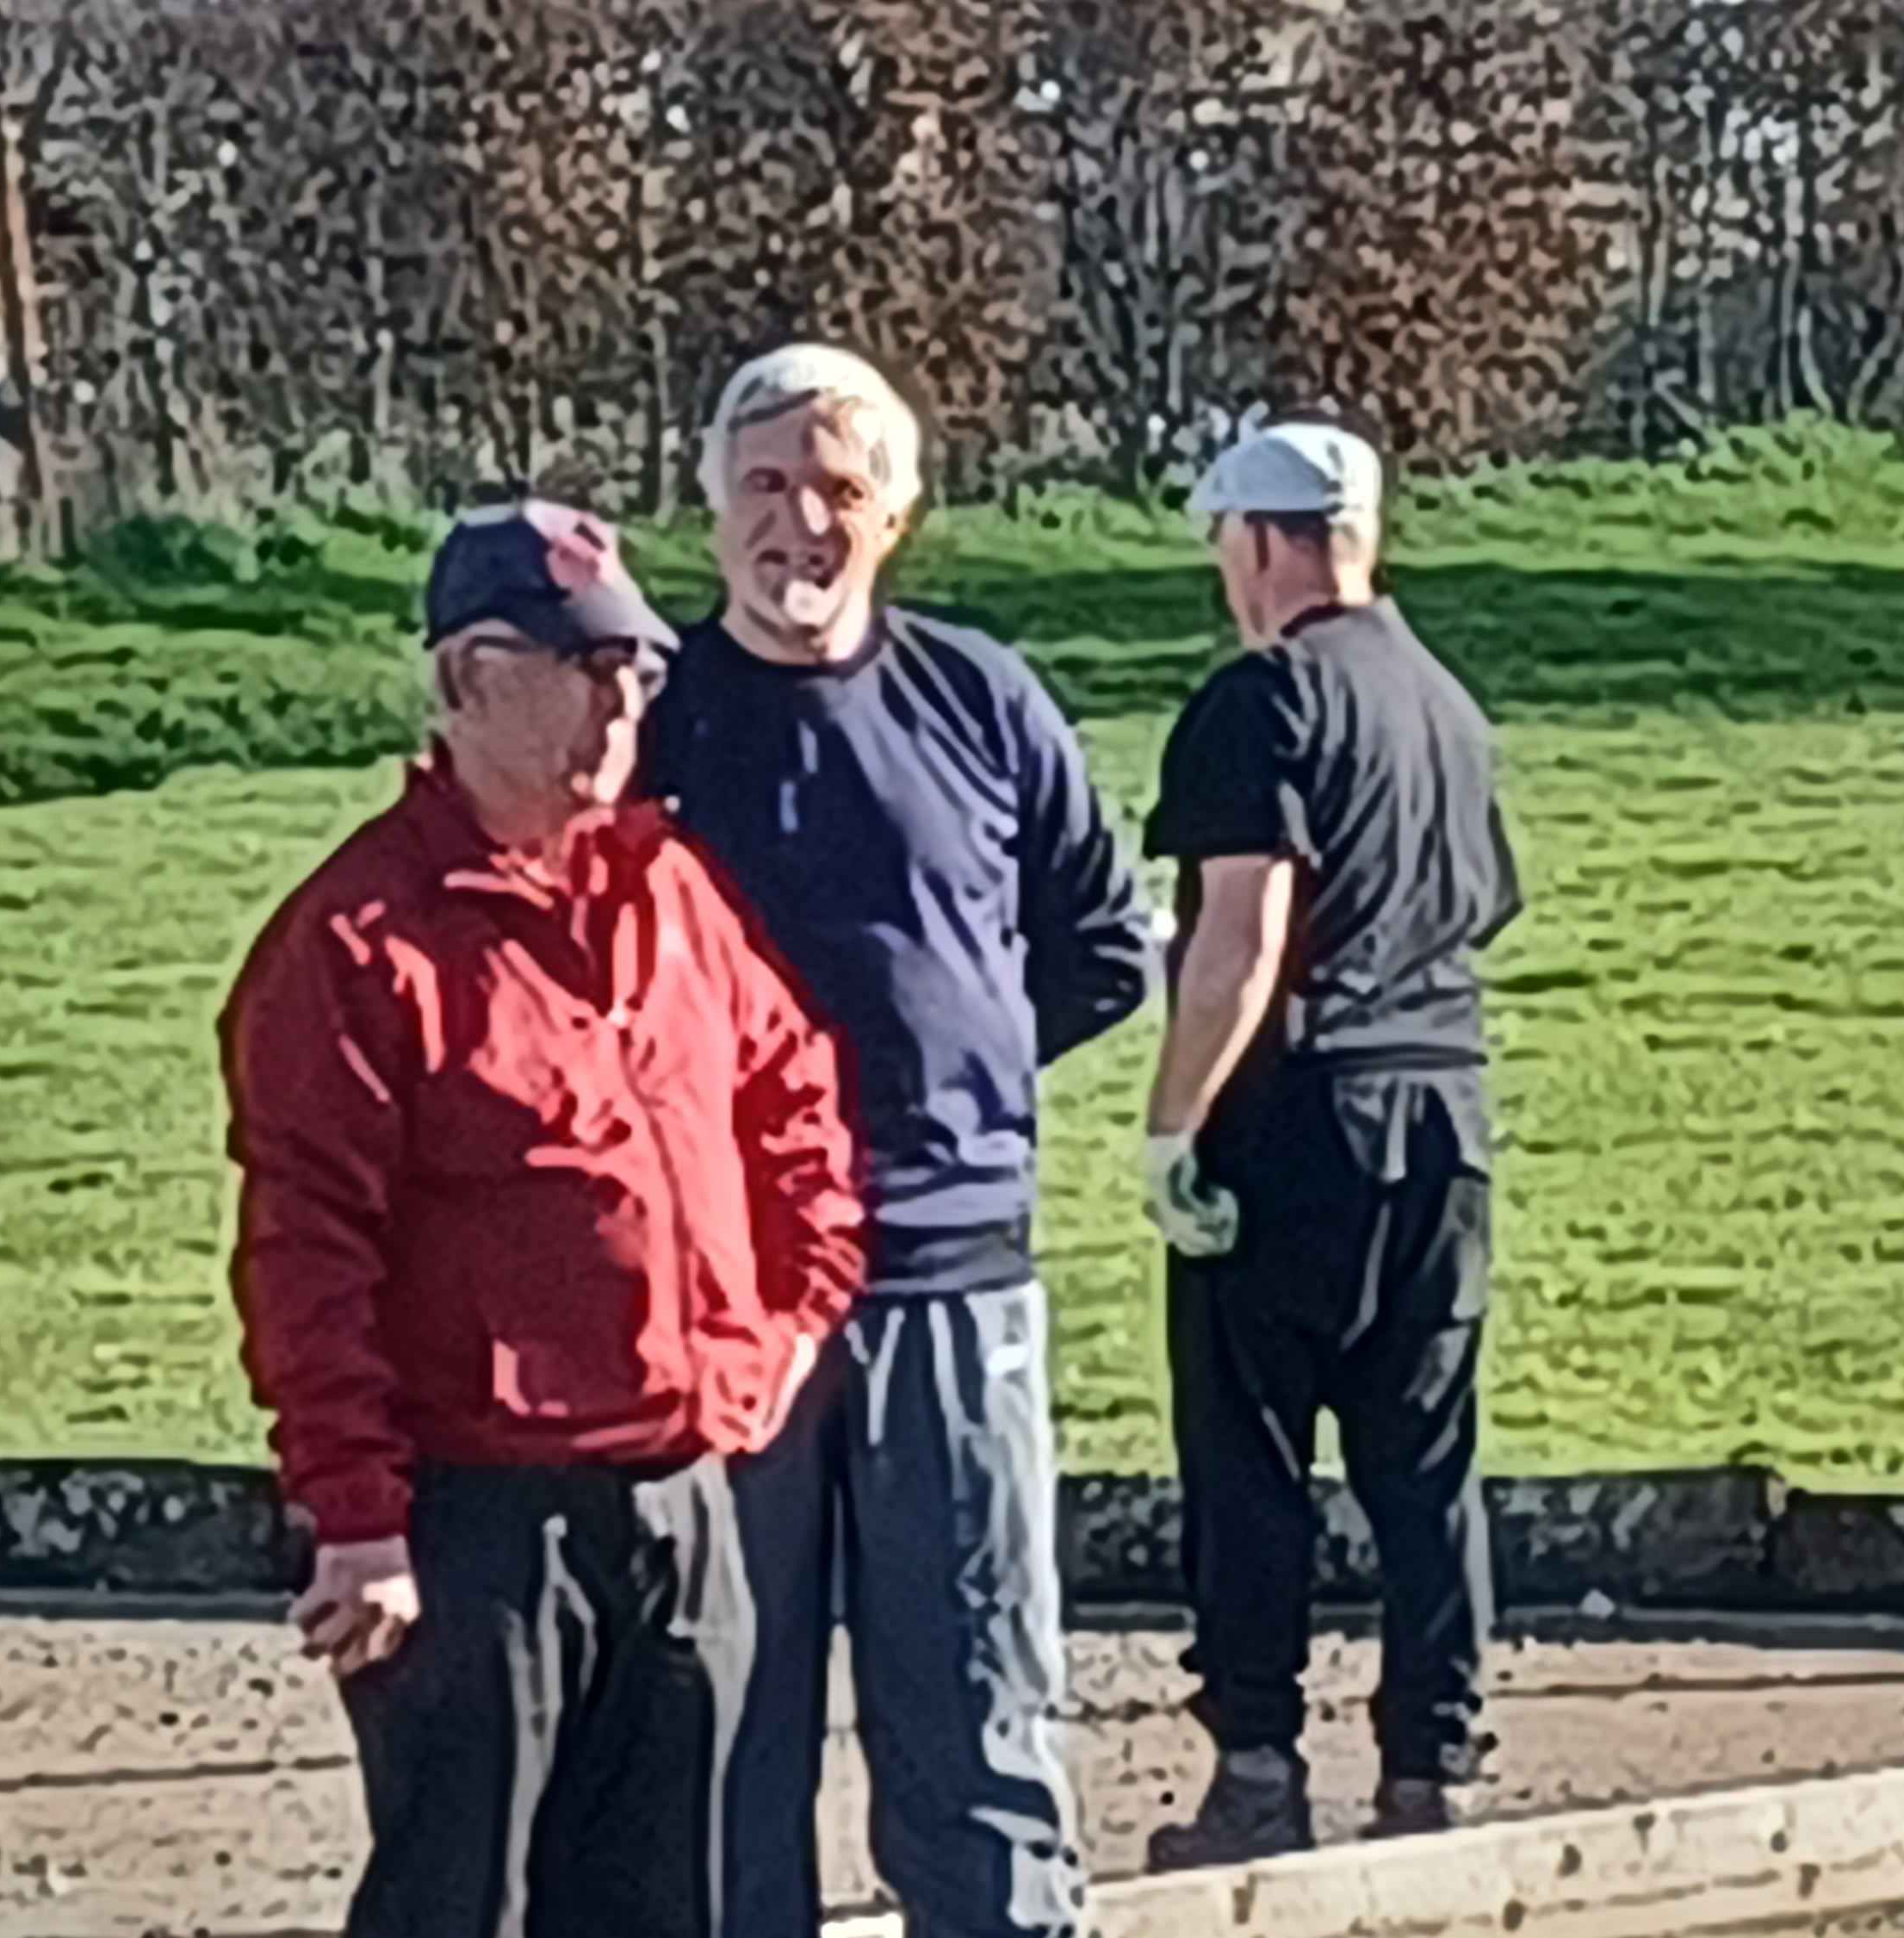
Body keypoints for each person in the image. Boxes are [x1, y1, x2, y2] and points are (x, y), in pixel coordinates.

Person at [218, 495, 869, 1938]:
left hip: (680, 1494)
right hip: (478, 1520)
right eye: (582, 666)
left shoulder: (673, 892)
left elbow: (799, 1100)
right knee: (463, 1901)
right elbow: (306, 1254)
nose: (620, 704)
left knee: (672, 1905)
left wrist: (787, 1324)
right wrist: (358, 1517)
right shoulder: (355, 942)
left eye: (635, 667)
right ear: (468, 677)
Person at [642, 344, 1156, 1938]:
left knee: (980, 1700)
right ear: (711, 506)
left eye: (838, 488)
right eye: (765, 485)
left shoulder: (981, 696)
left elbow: (1101, 945)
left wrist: (964, 1076)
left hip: (951, 1273)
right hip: (726, 1298)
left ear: (900, 511)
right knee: (723, 1721)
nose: (799, 524)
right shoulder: (653, 723)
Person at [1135, 415, 1524, 1868]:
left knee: (1248, 1453)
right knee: (1425, 1454)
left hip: (1297, 1120)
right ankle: (1437, 1757)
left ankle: (1256, 1765)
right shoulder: (1449, 705)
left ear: (1257, 543)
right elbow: (1475, 907)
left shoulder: (1262, 702)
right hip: (1446, 1119)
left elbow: (1244, 937)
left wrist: (1174, 1124)